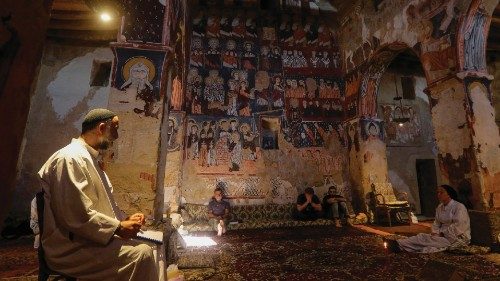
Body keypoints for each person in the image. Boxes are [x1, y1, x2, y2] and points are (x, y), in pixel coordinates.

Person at [37, 108, 158, 280]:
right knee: (142, 254)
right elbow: (76, 215)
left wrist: (126, 220)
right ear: (101, 128)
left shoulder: (89, 158)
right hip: (70, 248)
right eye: (114, 129)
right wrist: (118, 227)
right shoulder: (70, 158)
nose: (116, 136)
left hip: (89, 238)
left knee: (153, 245)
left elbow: (101, 206)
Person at [386, 185, 470, 253]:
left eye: (441, 192)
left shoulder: (459, 207)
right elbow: (436, 223)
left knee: (426, 240)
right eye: (438, 192)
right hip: (441, 235)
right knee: (422, 237)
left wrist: (442, 233)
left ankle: (400, 245)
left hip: (455, 237)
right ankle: (399, 245)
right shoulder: (440, 207)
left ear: (449, 194)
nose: (438, 195)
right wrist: (435, 232)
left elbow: (459, 226)